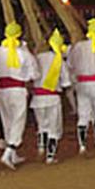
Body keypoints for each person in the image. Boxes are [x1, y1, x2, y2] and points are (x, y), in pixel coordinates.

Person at [0, 22, 39, 170]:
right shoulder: (24, 53)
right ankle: (9, 151)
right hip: (17, 89)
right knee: (18, 120)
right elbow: (34, 74)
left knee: (8, 120)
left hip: (2, 90)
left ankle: (12, 153)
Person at [66, 18, 95, 155]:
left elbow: (70, 64)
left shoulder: (78, 46)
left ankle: (82, 146)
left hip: (81, 83)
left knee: (83, 114)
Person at [33, 29, 72, 164]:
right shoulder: (59, 60)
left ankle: (41, 148)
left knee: (42, 125)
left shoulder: (38, 57)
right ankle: (50, 155)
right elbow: (66, 82)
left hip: (37, 98)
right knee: (54, 128)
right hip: (53, 98)